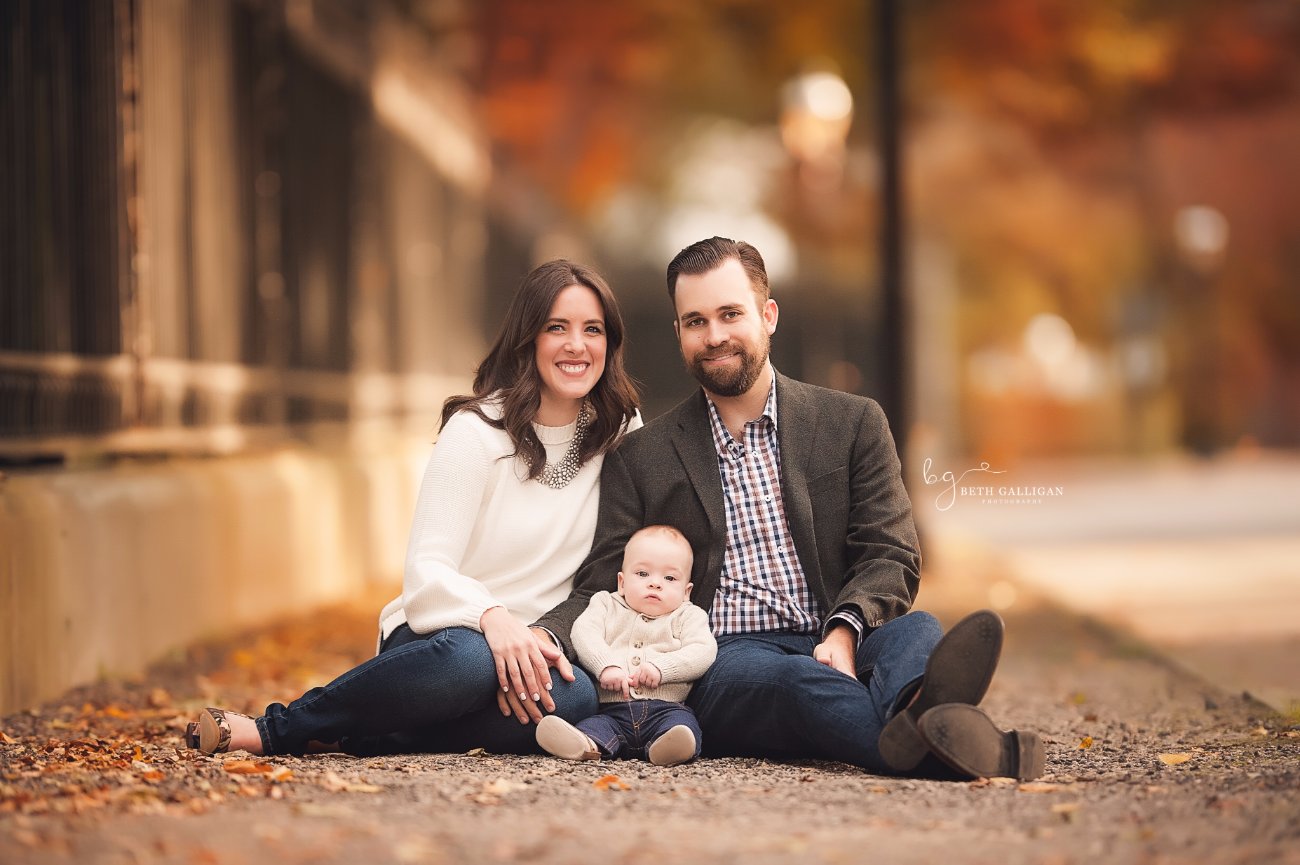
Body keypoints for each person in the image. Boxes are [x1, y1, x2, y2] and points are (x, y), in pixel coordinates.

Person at [535, 237, 1044, 781]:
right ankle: (948, 739)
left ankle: (920, 724)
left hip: (839, 629)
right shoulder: (641, 457)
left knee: (915, 632)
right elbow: (602, 580)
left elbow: (890, 552)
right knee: (795, 680)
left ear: (768, 316)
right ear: (679, 332)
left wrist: (844, 633)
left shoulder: (853, 424)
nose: (715, 335)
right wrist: (542, 635)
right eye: (696, 321)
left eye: (731, 314)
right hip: (729, 659)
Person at [186, 259, 641, 757]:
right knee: (471, 661)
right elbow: (427, 571)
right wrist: (492, 618)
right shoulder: (475, 431)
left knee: (576, 697)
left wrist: (538, 636)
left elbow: (614, 560)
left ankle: (376, 729)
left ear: (609, 343)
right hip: (445, 636)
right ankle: (279, 728)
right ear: (528, 338)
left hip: (540, 647)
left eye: (592, 329)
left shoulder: (619, 432)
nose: (577, 345)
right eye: (557, 328)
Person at [534, 524, 716, 767]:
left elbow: (703, 651)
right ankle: (584, 744)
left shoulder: (689, 616)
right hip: (611, 709)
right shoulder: (605, 604)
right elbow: (584, 633)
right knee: (596, 726)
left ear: (686, 591)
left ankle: (667, 749)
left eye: (670, 578)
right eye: (642, 574)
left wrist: (662, 668)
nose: (655, 583)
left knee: (682, 726)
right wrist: (606, 666)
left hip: (667, 709)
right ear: (621, 582)